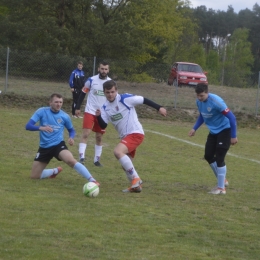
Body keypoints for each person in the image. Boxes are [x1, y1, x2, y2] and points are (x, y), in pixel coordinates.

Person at [95, 80, 167, 193]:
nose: (110, 94)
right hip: (125, 137)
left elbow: (143, 100)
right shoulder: (104, 107)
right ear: (104, 93)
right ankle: (136, 187)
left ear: (116, 91)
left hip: (135, 133)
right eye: (107, 92)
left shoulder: (125, 99)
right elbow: (103, 125)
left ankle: (136, 180)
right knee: (126, 164)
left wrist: (159, 108)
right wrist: (98, 117)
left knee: (118, 152)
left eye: (112, 92)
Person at [25, 93, 99, 186]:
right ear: (50, 102)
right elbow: (28, 126)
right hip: (44, 147)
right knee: (34, 176)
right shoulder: (41, 111)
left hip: (58, 145)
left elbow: (71, 130)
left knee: (71, 161)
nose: (58, 104)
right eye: (56, 102)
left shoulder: (64, 116)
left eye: (60, 102)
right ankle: (54, 171)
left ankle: (92, 180)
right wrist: (41, 128)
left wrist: (71, 137)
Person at [188, 83, 238, 195]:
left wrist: (233, 136)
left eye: (201, 96)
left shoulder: (216, 102)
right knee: (208, 155)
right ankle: (223, 180)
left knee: (220, 157)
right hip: (213, 132)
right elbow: (202, 115)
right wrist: (194, 128)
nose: (199, 98)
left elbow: (232, 118)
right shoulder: (199, 102)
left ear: (207, 92)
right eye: (198, 96)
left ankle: (221, 188)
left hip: (225, 130)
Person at [75, 61, 111, 166]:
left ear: (108, 70)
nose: (104, 71)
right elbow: (83, 93)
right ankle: (81, 157)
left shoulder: (111, 83)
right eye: (102, 68)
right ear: (98, 69)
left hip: (103, 114)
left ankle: (96, 160)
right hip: (90, 111)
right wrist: (77, 107)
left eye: (106, 69)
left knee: (99, 137)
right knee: (86, 133)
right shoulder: (91, 80)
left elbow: (114, 98)